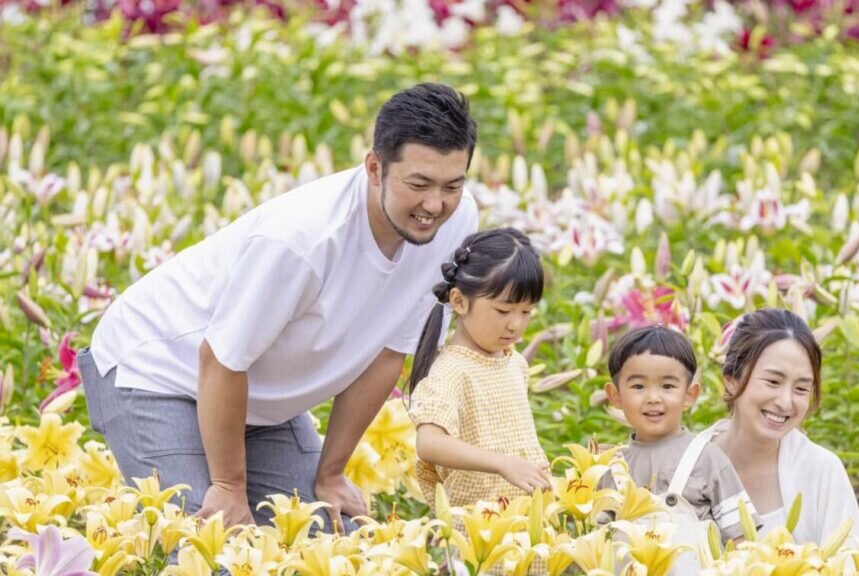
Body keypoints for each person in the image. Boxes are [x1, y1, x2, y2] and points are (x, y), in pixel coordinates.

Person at [78, 83, 480, 531]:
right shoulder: (302, 239)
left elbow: (390, 352)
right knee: (210, 548)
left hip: (251, 398)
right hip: (156, 372)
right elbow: (220, 358)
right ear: (374, 167)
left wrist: (330, 473)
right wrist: (229, 487)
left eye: (452, 185)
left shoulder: (457, 223)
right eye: (418, 184)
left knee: (330, 538)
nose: (434, 205)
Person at [407, 228, 551, 511]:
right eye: (503, 311)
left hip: (527, 517)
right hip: (479, 524)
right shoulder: (451, 371)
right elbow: (430, 443)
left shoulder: (514, 362)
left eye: (526, 312)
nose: (516, 325)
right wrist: (502, 464)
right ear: (460, 301)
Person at [698, 308, 859, 546]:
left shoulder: (822, 471)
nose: (785, 402)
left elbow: (851, 565)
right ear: (731, 381)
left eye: (801, 388)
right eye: (773, 381)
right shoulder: (686, 467)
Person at [600, 326, 756, 572]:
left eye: (668, 386)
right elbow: (599, 545)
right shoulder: (611, 467)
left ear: (690, 395)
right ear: (615, 395)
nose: (653, 397)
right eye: (638, 386)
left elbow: (742, 540)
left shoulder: (707, 458)